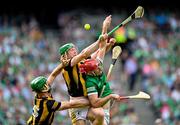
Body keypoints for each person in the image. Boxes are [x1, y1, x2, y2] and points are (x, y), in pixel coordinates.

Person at [47, 15, 114, 125]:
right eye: (71, 50)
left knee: (100, 114)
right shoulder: (68, 64)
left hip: (87, 102)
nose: (74, 50)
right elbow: (85, 53)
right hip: (76, 104)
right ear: (65, 55)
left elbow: (98, 53)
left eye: (74, 48)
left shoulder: (81, 62)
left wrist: (108, 43)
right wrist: (99, 39)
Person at [79, 31, 120, 125]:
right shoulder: (90, 83)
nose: (100, 68)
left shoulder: (96, 65)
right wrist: (110, 96)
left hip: (106, 107)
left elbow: (102, 49)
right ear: (92, 72)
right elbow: (94, 103)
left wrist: (109, 44)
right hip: (100, 110)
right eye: (97, 68)